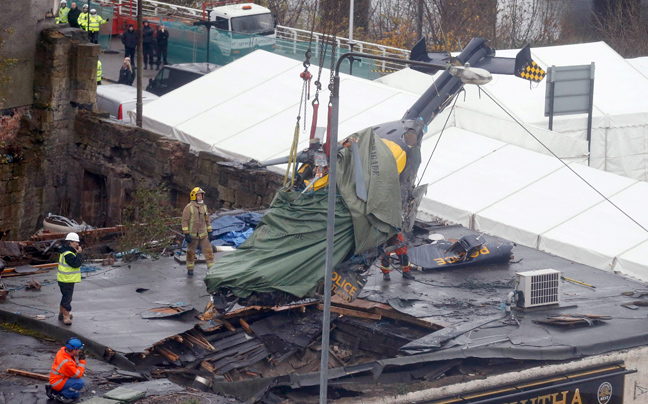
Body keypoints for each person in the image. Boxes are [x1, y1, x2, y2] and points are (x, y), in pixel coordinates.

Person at [181, 187, 214, 277]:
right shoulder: (189, 208)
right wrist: (186, 233)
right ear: (194, 196)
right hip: (192, 235)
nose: (200, 197)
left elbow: (207, 220)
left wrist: (210, 231)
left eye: (201, 195)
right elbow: (184, 221)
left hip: (204, 235)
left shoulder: (204, 207)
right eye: (198, 195)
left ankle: (211, 269)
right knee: (191, 253)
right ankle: (190, 269)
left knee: (209, 252)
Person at [45, 337, 86, 403]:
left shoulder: (63, 352)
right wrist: (82, 361)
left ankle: (53, 391)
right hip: (58, 381)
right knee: (80, 383)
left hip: (58, 378)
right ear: (74, 350)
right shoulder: (66, 362)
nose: (80, 351)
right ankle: (62, 396)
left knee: (76, 394)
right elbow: (78, 375)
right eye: (79, 349)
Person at [57, 232, 83, 325]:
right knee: (67, 298)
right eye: (75, 242)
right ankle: (66, 316)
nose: (77, 244)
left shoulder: (65, 251)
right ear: (70, 242)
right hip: (67, 279)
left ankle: (61, 313)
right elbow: (76, 264)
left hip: (64, 279)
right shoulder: (69, 254)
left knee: (64, 296)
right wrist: (79, 254)